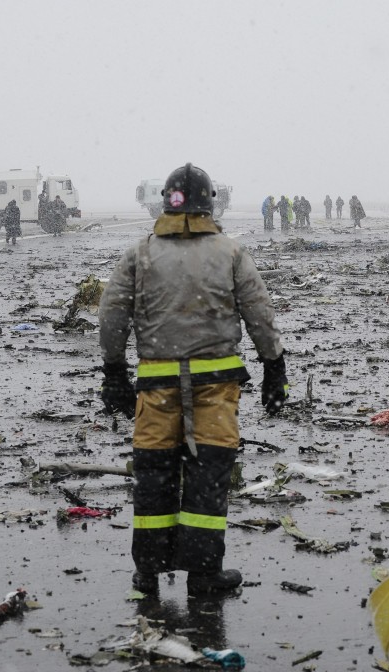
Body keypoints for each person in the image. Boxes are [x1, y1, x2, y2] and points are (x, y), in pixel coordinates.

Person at [98, 163, 288, 597]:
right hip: (215, 389)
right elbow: (259, 313)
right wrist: (273, 368)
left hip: (156, 390)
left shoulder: (140, 254)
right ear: (210, 204)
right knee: (207, 478)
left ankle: (147, 573)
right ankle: (203, 575)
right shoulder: (230, 253)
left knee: (154, 477)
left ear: (166, 202)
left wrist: (114, 372)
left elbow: (112, 316)